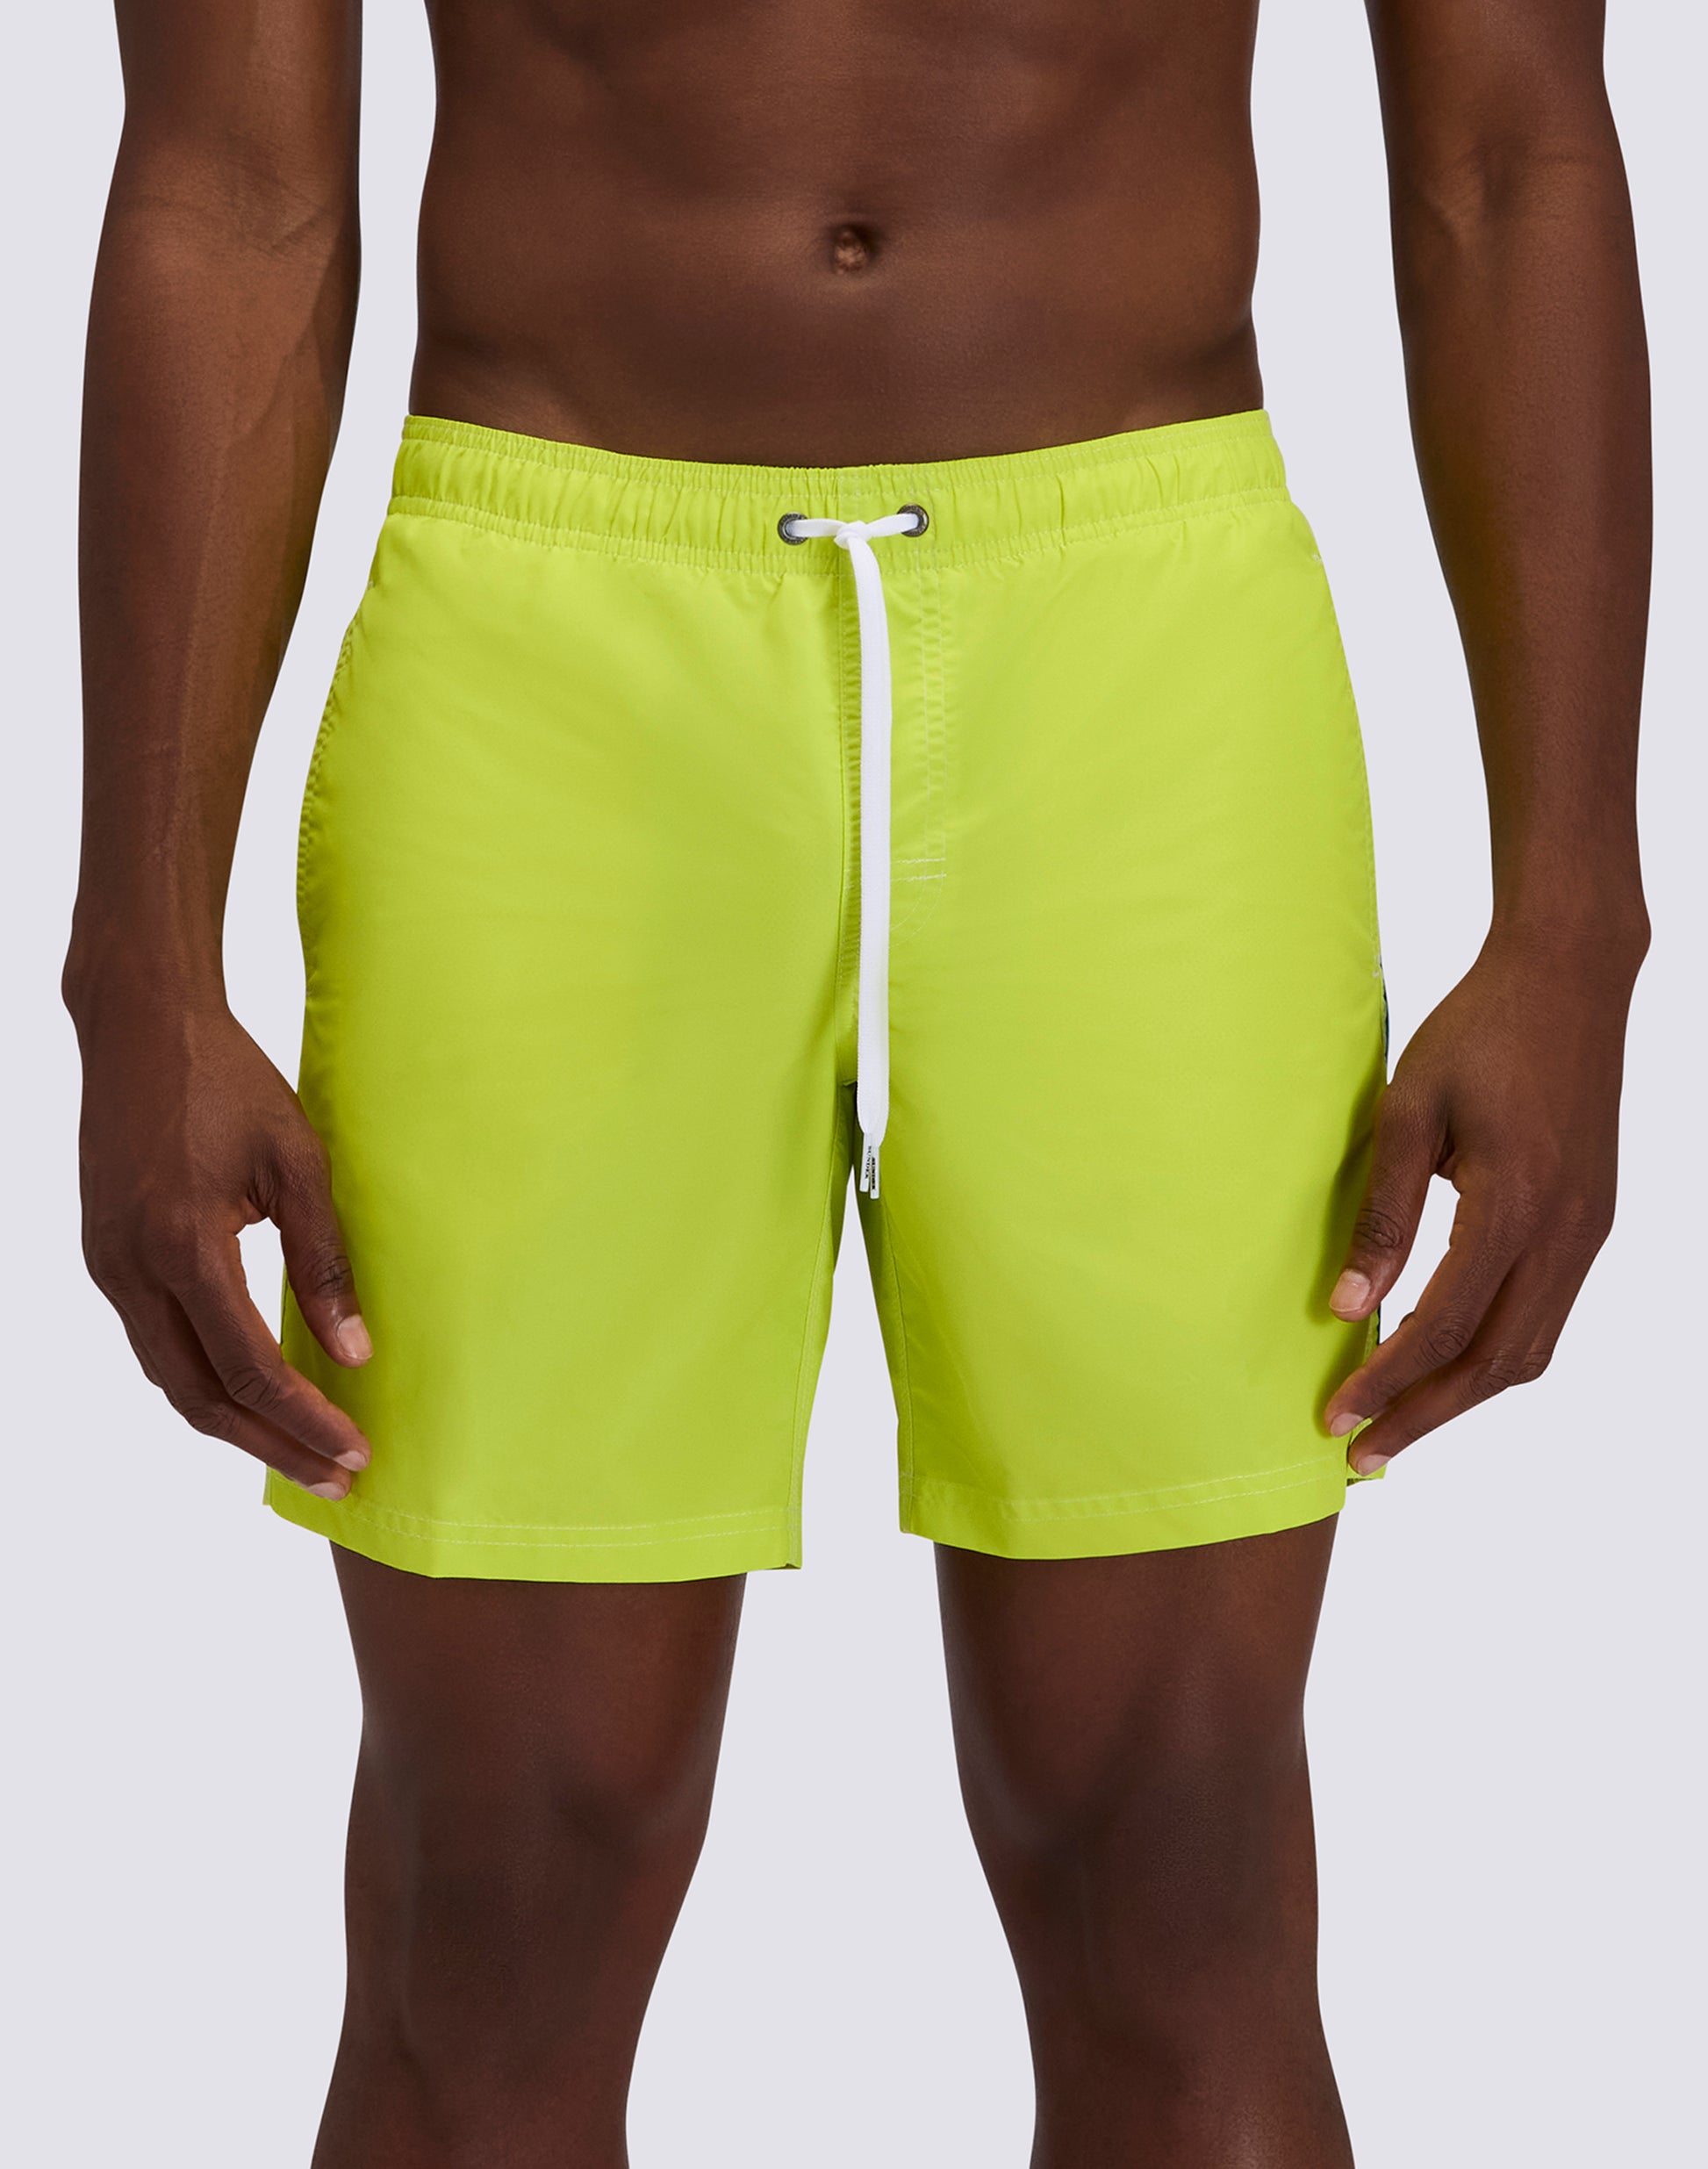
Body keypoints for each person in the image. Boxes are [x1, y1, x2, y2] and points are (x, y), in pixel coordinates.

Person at [63, 0, 1649, 2161]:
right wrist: (140, 960)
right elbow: (229, 186)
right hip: (544, 672)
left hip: (1144, 667)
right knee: (505, 1868)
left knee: (1173, 1848)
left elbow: (1507, 154)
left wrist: (1573, 921)